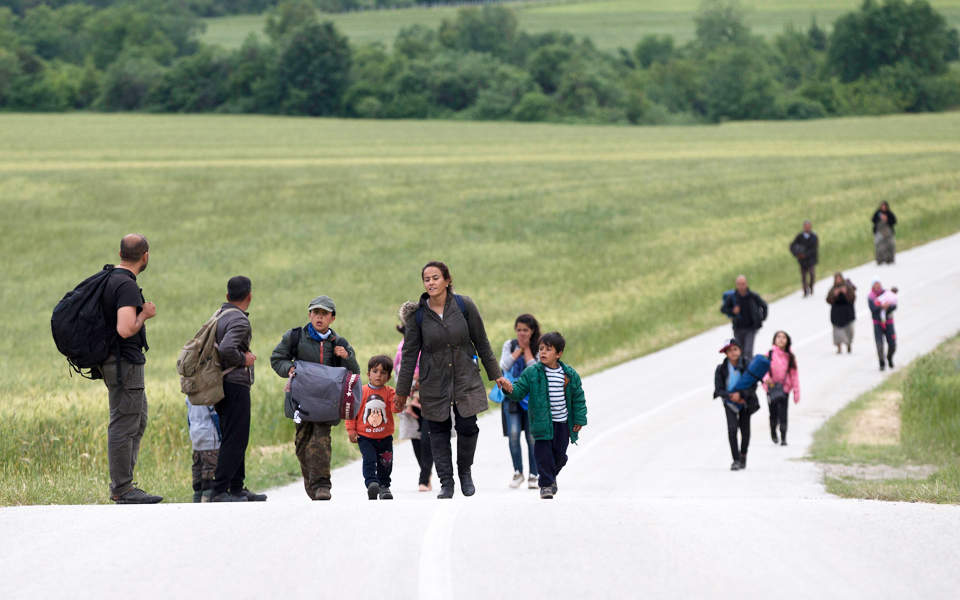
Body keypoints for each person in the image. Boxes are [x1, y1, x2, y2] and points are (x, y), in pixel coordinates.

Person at [394, 261, 508, 499]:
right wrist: (401, 394)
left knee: (468, 426)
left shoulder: (464, 306)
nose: (431, 282)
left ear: (447, 280)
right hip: (433, 380)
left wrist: (496, 374)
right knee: (438, 430)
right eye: (427, 279)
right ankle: (447, 482)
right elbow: (408, 357)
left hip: (465, 376)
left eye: (436, 277)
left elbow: (482, 342)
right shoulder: (418, 316)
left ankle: (464, 472)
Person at [271, 295, 361, 501]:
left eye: (325, 314)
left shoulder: (339, 343)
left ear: (332, 319)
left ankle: (322, 485)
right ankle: (313, 487)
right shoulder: (294, 337)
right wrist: (290, 368)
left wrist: (347, 357)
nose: (319, 317)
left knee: (320, 440)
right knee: (302, 445)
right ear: (310, 315)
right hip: (301, 402)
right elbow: (277, 359)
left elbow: (353, 374)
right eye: (316, 313)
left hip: (327, 403)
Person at [99, 234, 162, 504]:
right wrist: (144, 315)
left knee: (138, 419)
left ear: (121, 253)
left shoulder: (109, 278)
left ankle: (125, 483)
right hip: (124, 363)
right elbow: (125, 328)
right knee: (124, 423)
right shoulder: (125, 285)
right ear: (145, 256)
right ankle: (123, 488)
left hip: (117, 362)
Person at [503, 332, 587, 500]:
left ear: (558, 354)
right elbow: (519, 391)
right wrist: (509, 389)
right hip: (541, 422)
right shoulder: (532, 372)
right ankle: (546, 485)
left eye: (548, 349)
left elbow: (578, 398)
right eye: (541, 349)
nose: (543, 352)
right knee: (542, 455)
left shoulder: (569, 374)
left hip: (561, 423)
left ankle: (549, 477)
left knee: (560, 457)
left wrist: (579, 419)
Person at [211, 276, 266, 503]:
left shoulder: (219, 314)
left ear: (227, 296)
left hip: (221, 383)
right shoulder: (239, 320)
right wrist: (244, 359)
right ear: (249, 296)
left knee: (234, 435)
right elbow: (226, 348)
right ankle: (220, 490)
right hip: (234, 383)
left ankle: (236, 487)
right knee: (236, 438)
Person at [347, 356, 400, 500]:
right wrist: (351, 431)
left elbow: (395, 409)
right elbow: (353, 412)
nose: (378, 375)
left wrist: (401, 400)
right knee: (369, 460)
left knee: (386, 463)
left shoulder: (390, 392)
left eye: (383, 373)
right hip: (365, 437)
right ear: (368, 374)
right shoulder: (361, 391)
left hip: (385, 437)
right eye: (375, 371)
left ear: (388, 377)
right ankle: (372, 484)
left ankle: (384, 487)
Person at [499, 314, 540, 490]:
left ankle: (534, 474)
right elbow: (504, 366)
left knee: (532, 437)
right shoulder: (510, 345)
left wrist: (527, 349)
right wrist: (519, 350)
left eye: (526, 330)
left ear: (532, 331)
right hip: (513, 397)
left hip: (532, 400)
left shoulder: (540, 346)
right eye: (519, 330)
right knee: (514, 435)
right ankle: (518, 471)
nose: (522, 333)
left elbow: (535, 369)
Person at [395, 322, 433, 492]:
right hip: (410, 396)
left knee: (427, 438)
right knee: (416, 439)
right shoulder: (401, 350)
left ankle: (424, 478)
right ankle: (425, 473)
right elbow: (397, 374)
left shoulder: (429, 346)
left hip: (429, 398)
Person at [713, 339, 760, 471]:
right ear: (725, 353)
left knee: (745, 431)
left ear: (740, 350)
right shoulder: (721, 369)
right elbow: (718, 389)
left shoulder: (747, 366)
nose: (733, 353)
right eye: (729, 350)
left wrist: (742, 395)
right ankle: (735, 459)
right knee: (732, 429)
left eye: (735, 349)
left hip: (744, 402)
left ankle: (743, 455)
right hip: (729, 403)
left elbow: (753, 384)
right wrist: (731, 397)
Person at [762, 331, 800, 446]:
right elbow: (762, 369)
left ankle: (783, 436)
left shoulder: (790, 356)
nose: (781, 339)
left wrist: (796, 392)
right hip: (772, 388)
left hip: (785, 388)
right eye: (779, 337)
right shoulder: (769, 354)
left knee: (783, 412)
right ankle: (773, 431)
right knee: (773, 412)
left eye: (784, 337)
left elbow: (794, 374)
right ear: (774, 340)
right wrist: (766, 379)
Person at [720, 275, 768, 361]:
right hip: (738, 329)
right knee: (739, 352)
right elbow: (723, 309)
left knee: (748, 351)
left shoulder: (752, 296)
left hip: (750, 328)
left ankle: (750, 371)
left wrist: (761, 318)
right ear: (736, 285)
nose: (741, 286)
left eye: (743, 284)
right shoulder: (733, 297)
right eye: (739, 284)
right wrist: (732, 311)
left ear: (746, 284)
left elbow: (764, 305)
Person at [185, 399, 220, 502]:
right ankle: (206, 499)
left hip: (195, 434)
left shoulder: (189, 397)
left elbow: (188, 418)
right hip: (209, 434)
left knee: (198, 467)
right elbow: (215, 416)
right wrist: (222, 434)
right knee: (210, 468)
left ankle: (196, 498)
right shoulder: (209, 396)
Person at [868, 278, 897, 370]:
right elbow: (873, 310)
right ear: (872, 285)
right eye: (875, 284)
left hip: (888, 321)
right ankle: (881, 362)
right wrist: (881, 306)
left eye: (878, 283)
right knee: (879, 344)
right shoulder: (871, 296)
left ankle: (889, 357)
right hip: (877, 323)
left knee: (892, 343)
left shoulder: (886, 293)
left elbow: (894, 305)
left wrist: (888, 306)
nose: (877, 285)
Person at [826, 272, 856, 354]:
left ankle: (848, 344)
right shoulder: (833, 289)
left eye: (839, 279)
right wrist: (835, 294)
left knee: (849, 330)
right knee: (837, 331)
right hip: (837, 313)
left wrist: (846, 292)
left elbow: (852, 299)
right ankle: (839, 347)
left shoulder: (848, 287)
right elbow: (828, 300)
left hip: (847, 312)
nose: (838, 281)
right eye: (837, 279)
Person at [790, 220, 819, 297]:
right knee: (803, 276)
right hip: (802, 261)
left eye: (808, 226)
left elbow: (814, 248)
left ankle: (811, 287)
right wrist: (797, 254)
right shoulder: (799, 237)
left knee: (812, 274)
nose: (807, 228)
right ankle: (805, 290)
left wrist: (806, 254)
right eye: (805, 226)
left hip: (811, 260)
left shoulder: (814, 237)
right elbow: (792, 246)